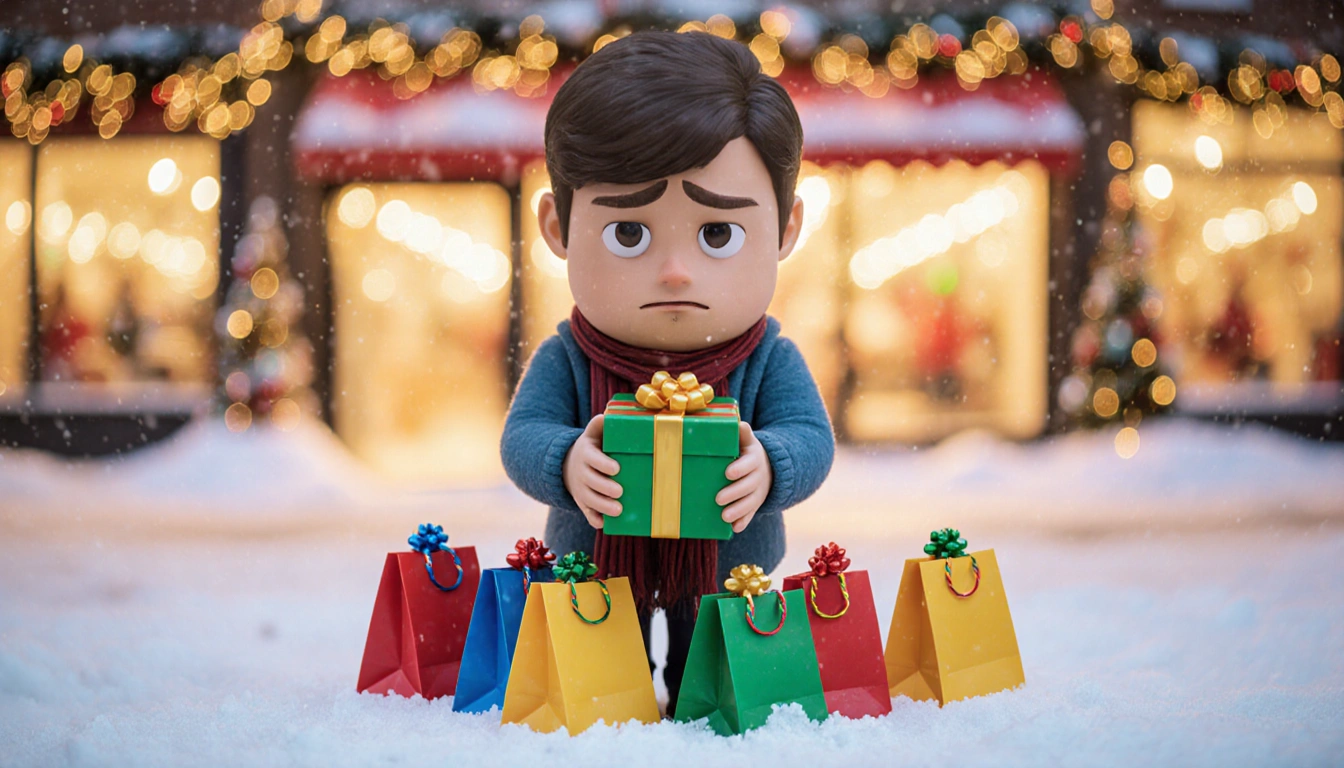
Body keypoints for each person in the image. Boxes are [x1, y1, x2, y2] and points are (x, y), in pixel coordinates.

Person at [500, 30, 834, 715]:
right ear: (558, 227)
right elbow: (523, 434)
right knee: (600, 683)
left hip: (724, 569)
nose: (676, 271)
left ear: (786, 228)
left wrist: (772, 465)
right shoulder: (569, 355)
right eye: (630, 233)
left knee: (710, 681)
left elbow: (809, 435)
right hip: (592, 565)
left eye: (718, 233)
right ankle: (609, 702)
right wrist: (565, 461)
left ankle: (701, 695)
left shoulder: (768, 357)